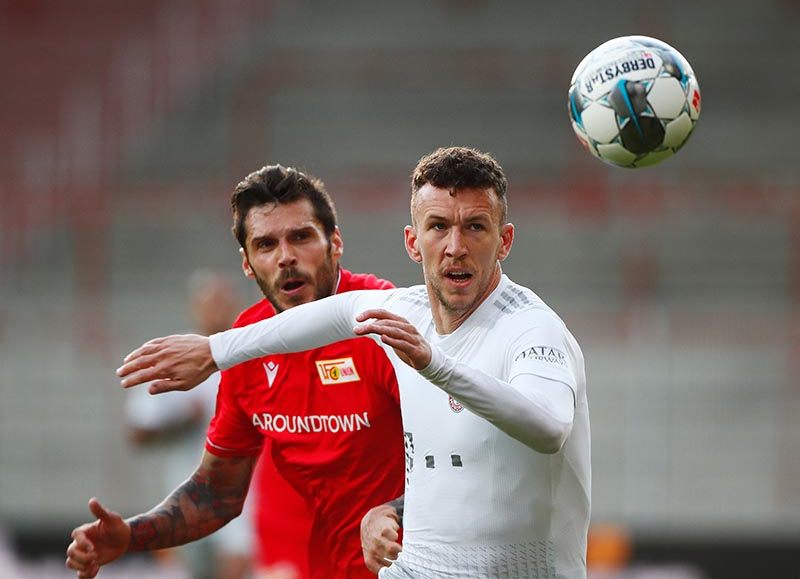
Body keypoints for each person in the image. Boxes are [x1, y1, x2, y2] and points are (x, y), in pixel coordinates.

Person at [106, 146, 591, 579]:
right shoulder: (402, 314)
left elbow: (547, 427)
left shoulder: (531, 329)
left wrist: (433, 368)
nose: (455, 246)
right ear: (412, 241)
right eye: (439, 226)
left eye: (475, 227)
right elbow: (324, 318)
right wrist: (214, 352)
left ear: (504, 241)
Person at [66, 165, 406, 579]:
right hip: (322, 566)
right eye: (266, 244)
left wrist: (391, 512)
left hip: (419, 565)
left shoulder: (385, 319)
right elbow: (217, 494)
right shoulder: (246, 345)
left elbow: (459, 460)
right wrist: (130, 535)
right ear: (248, 264)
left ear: (335, 243)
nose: (285, 256)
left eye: (300, 237)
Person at [124, 270, 255, 579]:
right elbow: (138, 431)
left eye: (224, 301)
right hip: (186, 490)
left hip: (242, 493)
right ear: (195, 307)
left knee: (235, 567)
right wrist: (182, 420)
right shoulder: (175, 358)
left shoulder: (251, 355)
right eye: (211, 302)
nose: (218, 309)